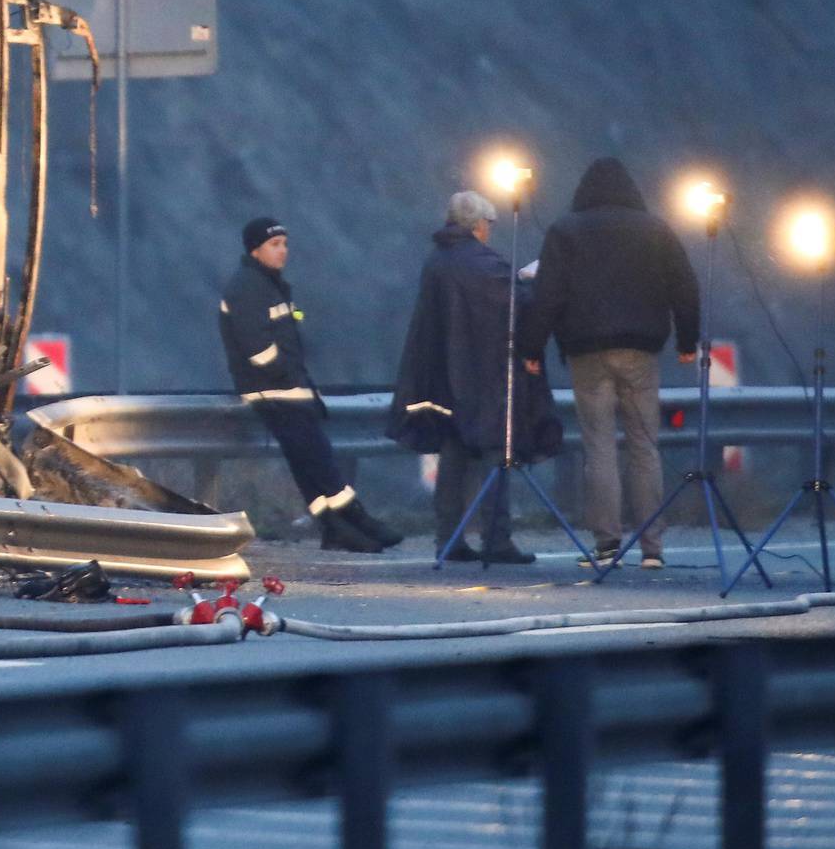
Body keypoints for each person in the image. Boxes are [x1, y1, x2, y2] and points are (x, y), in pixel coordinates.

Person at [519, 157, 698, 569]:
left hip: (587, 352)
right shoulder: (655, 229)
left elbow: (549, 296)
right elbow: (684, 287)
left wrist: (532, 349)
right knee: (644, 447)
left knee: (598, 447)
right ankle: (652, 548)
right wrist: (687, 340)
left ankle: (606, 545)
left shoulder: (566, 231)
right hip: (640, 351)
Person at [387, 191, 561, 564]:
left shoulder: (437, 261)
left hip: (442, 377)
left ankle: (448, 540)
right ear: (480, 225)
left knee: (452, 459)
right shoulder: (484, 264)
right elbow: (515, 305)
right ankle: (496, 540)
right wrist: (529, 281)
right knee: (496, 456)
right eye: (490, 224)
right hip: (484, 376)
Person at [220, 217, 404, 552]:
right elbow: (257, 347)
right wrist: (286, 374)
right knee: (318, 458)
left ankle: (334, 526)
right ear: (255, 249)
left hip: (287, 389)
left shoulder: (267, 284)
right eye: (275, 245)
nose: (283, 251)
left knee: (307, 461)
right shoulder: (248, 286)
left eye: (285, 244)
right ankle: (355, 518)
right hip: (275, 391)